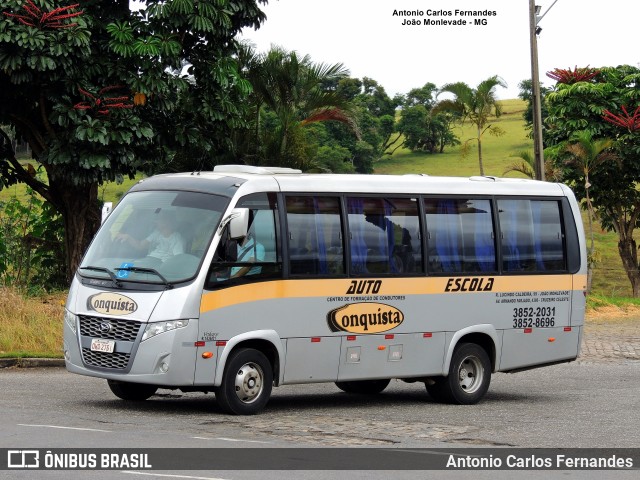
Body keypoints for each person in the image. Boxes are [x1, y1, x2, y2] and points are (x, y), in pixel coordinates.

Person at [116, 210, 185, 262]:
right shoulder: (156, 233)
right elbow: (140, 246)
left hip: (161, 267)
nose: (155, 222)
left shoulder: (177, 238)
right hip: (149, 261)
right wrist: (128, 237)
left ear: (167, 221)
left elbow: (178, 260)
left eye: (158, 219)